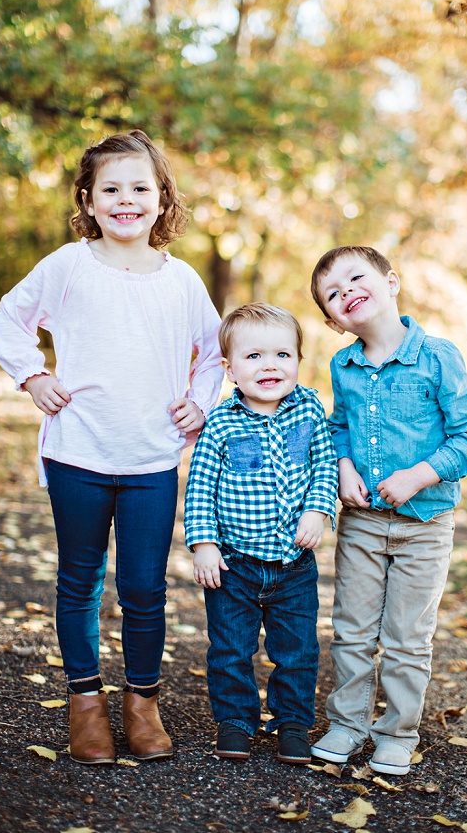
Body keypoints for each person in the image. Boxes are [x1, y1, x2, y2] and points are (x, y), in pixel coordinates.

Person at [0, 130, 224, 764]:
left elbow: (214, 351)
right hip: (77, 452)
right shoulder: (68, 265)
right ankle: (86, 702)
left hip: (151, 459)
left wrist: (199, 401)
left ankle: (141, 704)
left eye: (140, 188)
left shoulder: (181, 281)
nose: (126, 200)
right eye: (111, 189)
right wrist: (33, 375)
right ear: (88, 201)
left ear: (161, 198)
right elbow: (9, 319)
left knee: (145, 587)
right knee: (80, 580)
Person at [307, 245, 467, 776]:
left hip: (426, 524)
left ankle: (397, 731)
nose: (347, 293)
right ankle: (348, 724)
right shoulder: (342, 365)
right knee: (353, 629)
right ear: (333, 321)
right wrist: (343, 466)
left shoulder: (437, 355)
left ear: (392, 282)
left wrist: (419, 474)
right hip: (362, 522)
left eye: (355, 279)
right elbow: (338, 426)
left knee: (408, 637)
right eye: (334, 294)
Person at [183, 303, 338, 764]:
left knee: (298, 650)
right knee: (230, 648)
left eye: (282, 355)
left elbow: (325, 464)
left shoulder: (309, 407)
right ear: (230, 369)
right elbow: (200, 487)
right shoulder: (221, 422)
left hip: (293, 565)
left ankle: (292, 723)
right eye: (253, 357)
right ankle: (234, 721)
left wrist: (318, 510)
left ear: (297, 360)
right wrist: (205, 545)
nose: (270, 365)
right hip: (235, 565)